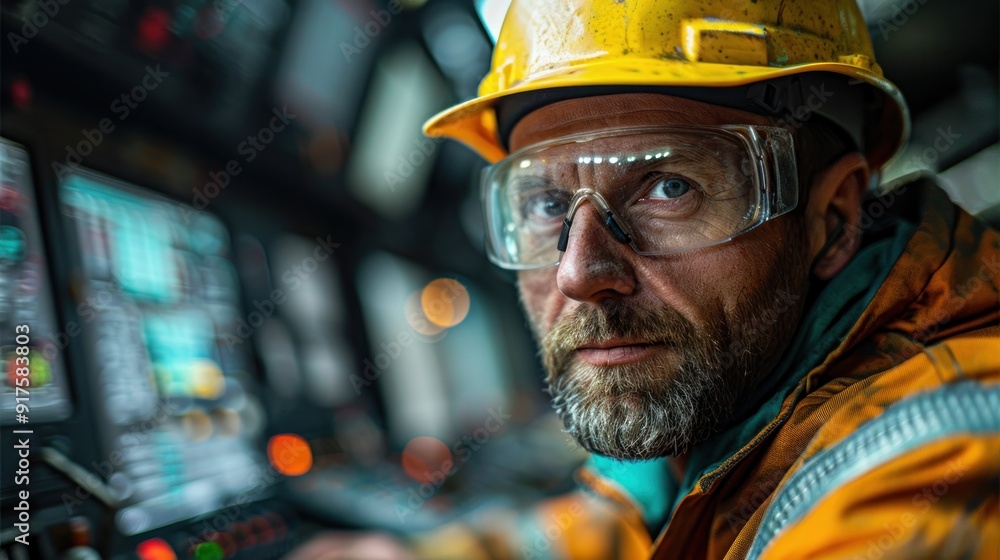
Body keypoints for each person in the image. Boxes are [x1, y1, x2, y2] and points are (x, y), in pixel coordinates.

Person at [289, 0, 999, 557]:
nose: (577, 273)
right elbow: (630, 527)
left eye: (668, 188)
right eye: (544, 204)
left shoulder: (931, 471)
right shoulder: (725, 421)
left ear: (833, 219)